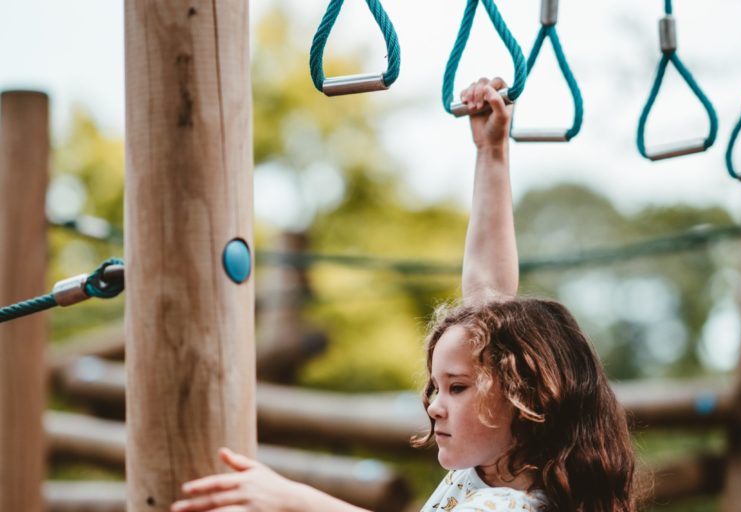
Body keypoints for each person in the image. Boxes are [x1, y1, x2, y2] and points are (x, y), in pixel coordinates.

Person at [170, 78, 636, 512]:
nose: (434, 404)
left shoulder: (511, 505)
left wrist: (290, 499)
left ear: (524, 398)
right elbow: (488, 288)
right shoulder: (488, 476)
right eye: (437, 386)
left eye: (457, 387)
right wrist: (491, 152)